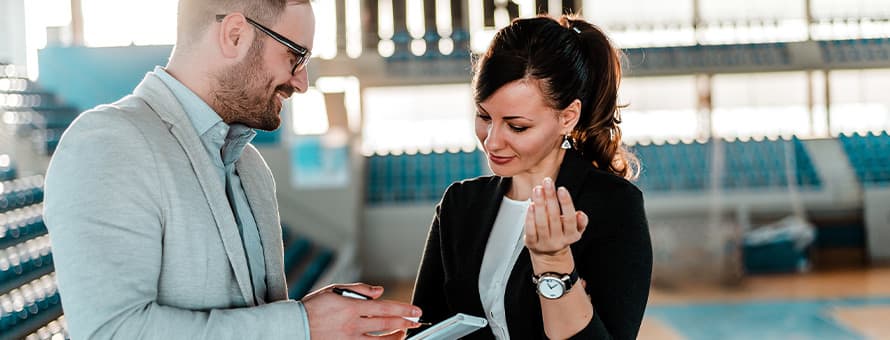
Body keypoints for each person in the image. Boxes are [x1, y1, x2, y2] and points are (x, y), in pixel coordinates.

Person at [43, 0, 421, 339]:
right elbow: (111, 332)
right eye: (295, 57)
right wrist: (302, 324)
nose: (301, 83)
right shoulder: (108, 141)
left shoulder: (250, 167)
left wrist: (319, 321)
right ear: (235, 34)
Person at [410, 15, 653, 340]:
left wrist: (554, 263)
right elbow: (425, 328)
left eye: (517, 126)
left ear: (567, 117)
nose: (492, 141)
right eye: (484, 116)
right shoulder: (459, 205)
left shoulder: (613, 206)